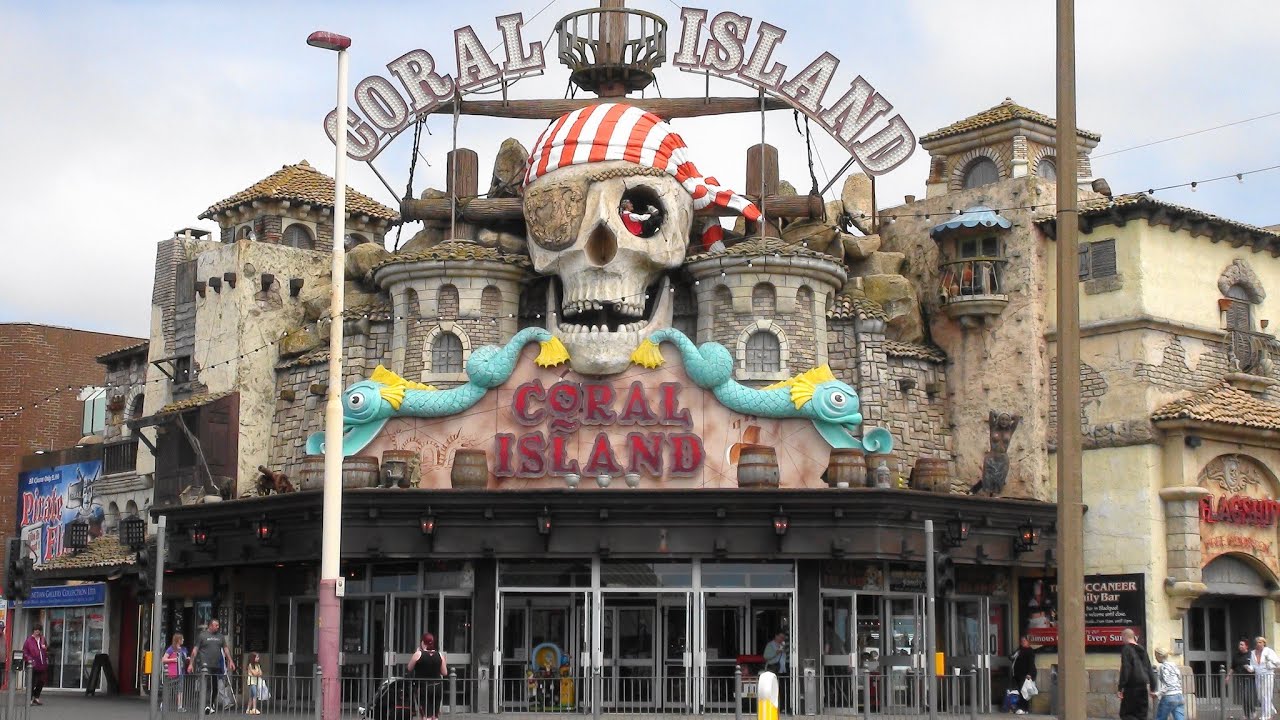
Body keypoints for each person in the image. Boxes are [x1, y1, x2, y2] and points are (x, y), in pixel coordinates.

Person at [189, 619, 236, 714]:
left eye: (218, 625)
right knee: (208, 685)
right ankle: (206, 705)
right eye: (216, 625)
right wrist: (191, 663)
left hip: (216, 665)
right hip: (205, 665)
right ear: (210, 625)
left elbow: (226, 649)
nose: (218, 627)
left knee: (215, 687)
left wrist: (230, 661)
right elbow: (195, 650)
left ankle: (210, 705)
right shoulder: (202, 635)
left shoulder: (220, 637)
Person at [407, 632, 447, 720]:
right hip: (437, 686)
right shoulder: (440, 655)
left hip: (423, 687)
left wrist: (417, 653)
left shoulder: (418, 654)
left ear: (422, 642)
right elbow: (444, 672)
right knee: (435, 716)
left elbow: (409, 668)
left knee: (426, 716)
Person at [1117, 628, 1154, 720]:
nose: (1122, 640)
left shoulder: (1127, 649)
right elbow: (1149, 668)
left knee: (1127, 714)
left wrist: (1120, 687)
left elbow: (1126, 668)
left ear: (1125, 636)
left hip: (1131, 687)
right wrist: (1153, 687)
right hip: (1143, 688)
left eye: (1122, 638)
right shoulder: (1143, 650)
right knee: (1141, 715)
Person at [1249, 636, 1280, 720]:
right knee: (1260, 696)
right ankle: (1272, 710)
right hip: (1258, 676)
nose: (1258, 644)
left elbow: (1278, 663)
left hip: (1268, 675)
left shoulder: (1269, 651)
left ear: (1264, 643)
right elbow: (1253, 665)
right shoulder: (1253, 653)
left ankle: (1266, 715)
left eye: (1260, 642)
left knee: (1266, 695)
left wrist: (1270, 664)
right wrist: (1250, 668)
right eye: (1257, 642)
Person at [1153, 647, 1186, 720]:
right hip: (1179, 695)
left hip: (1169, 696)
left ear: (1159, 656)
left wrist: (1158, 693)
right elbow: (1179, 679)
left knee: (1160, 717)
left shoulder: (1163, 667)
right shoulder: (1174, 665)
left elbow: (1169, 684)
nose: (1155, 658)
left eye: (1156, 656)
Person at [1230, 638, 1257, 720]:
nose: (1240, 646)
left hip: (1249, 678)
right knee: (1243, 697)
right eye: (1239, 645)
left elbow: (1256, 665)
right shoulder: (1236, 655)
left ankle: (1253, 710)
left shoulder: (1251, 654)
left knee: (1247, 696)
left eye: (1242, 645)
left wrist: (1250, 668)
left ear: (1246, 646)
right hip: (1240, 678)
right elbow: (1233, 667)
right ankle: (1246, 715)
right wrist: (1228, 676)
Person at [1010, 635, 1037, 715]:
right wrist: (1013, 656)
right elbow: (1011, 657)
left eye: (1024, 641)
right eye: (1021, 641)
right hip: (1018, 673)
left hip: (1025, 674)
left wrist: (1029, 674)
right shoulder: (1019, 650)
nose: (1022, 643)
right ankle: (1021, 708)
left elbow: (1031, 664)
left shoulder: (1030, 651)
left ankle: (1024, 708)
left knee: (1024, 692)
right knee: (1019, 691)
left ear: (1028, 642)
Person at [22, 625, 48, 706]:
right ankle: (29, 699)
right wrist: (29, 659)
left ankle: (36, 697)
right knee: (31, 682)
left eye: (39, 630)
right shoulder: (29, 640)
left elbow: (47, 648)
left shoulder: (43, 639)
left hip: (42, 663)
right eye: (36, 630)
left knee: (42, 681)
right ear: (33, 630)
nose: (37, 631)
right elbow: (25, 651)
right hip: (32, 664)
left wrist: (45, 649)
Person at [163, 633, 189, 712]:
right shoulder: (171, 649)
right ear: (178, 640)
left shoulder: (183, 649)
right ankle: (163, 704)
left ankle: (179, 706)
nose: (183, 640)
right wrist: (173, 660)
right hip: (173, 672)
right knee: (169, 689)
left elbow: (184, 659)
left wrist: (187, 659)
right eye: (182, 639)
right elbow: (164, 659)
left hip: (181, 672)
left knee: (180, 690)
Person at [763, 632, 789, 712]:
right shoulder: (770, 645)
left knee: (783, 689)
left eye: (783, 638)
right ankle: (773, 707)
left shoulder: (784, 646)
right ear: (776, 636)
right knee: (773, 689)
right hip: (773, 669)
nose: (782, 639)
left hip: (783, 670)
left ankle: (783, 707)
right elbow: (766, 656)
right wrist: (776, 653)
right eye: (781, 637)